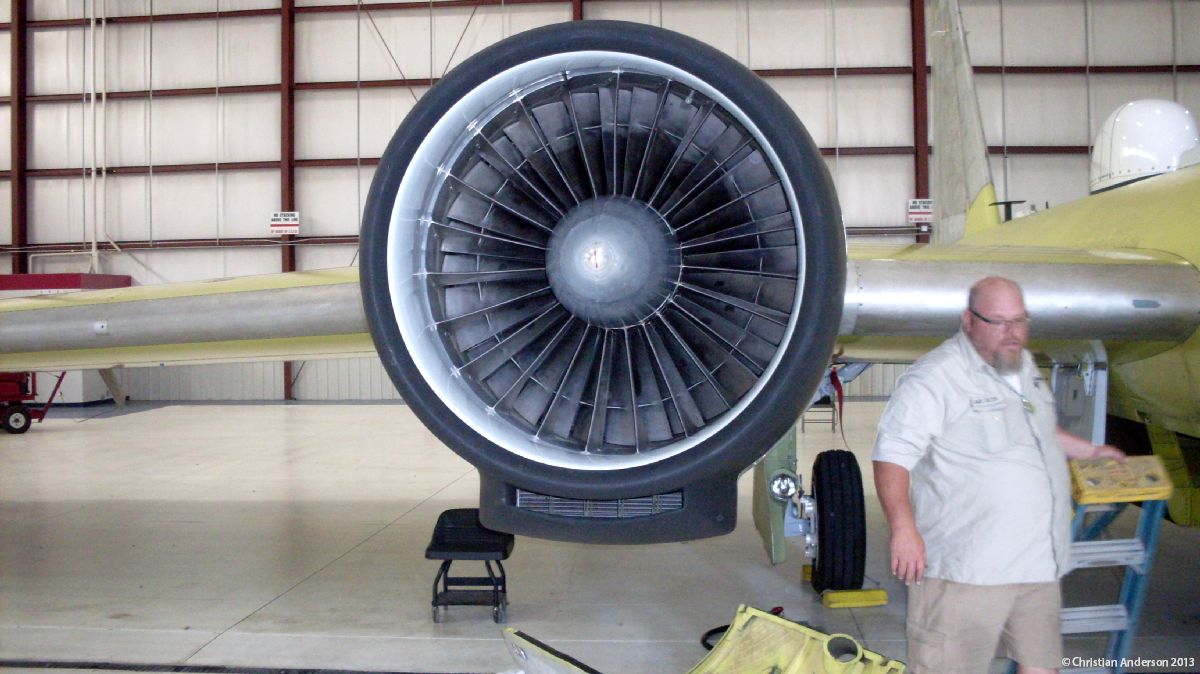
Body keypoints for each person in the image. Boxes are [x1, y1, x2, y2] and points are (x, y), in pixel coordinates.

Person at [872, 277, 1124, 674]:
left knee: (1042, 666)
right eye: (999, 322)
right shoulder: (936, 378)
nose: (1013, 333)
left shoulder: (1021, 365)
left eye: (1020, 320)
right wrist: (903, 529)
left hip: (1036, 563)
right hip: (967, 571)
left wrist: (1089, 451)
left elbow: (1038, 428)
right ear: (968, 320)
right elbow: (891, 457)